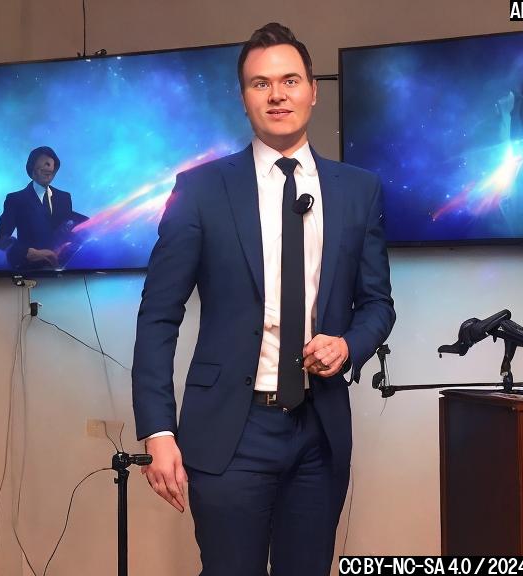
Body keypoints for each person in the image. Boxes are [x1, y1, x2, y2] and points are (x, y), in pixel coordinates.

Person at [131, 23, 395, 575]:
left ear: (313, 90)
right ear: (244, 97)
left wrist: (348, 346)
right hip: (230, 431)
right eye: (260, 84)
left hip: (319, 434)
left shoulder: (358, 189)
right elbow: (158, 317)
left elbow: (378, 304)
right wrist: (157, 432)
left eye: (290, 80)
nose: (277, 95)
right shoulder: (199, 189)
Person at [0, 146, 86, 270]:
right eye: (44, 162)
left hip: (63, 271)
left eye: (52, 163)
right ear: (32, 167)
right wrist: (27, 252)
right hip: (29, 270)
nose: (49, 166)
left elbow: (69, 226)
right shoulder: (15, 199)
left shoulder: (64, 197)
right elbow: (1, 241)